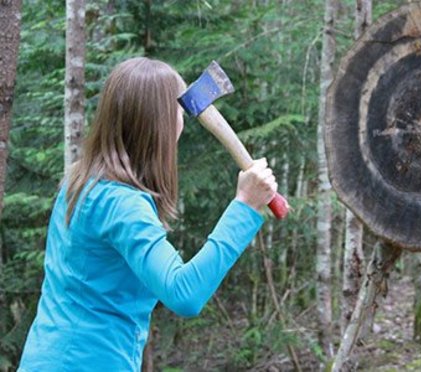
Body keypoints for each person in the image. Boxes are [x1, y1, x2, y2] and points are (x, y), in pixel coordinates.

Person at [18, 57, 277, 371]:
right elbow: (184, 293)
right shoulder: (122, 204)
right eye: (179, 110)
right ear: (161, 122)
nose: (183, 117)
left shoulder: (80, 180)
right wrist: (245, 207)